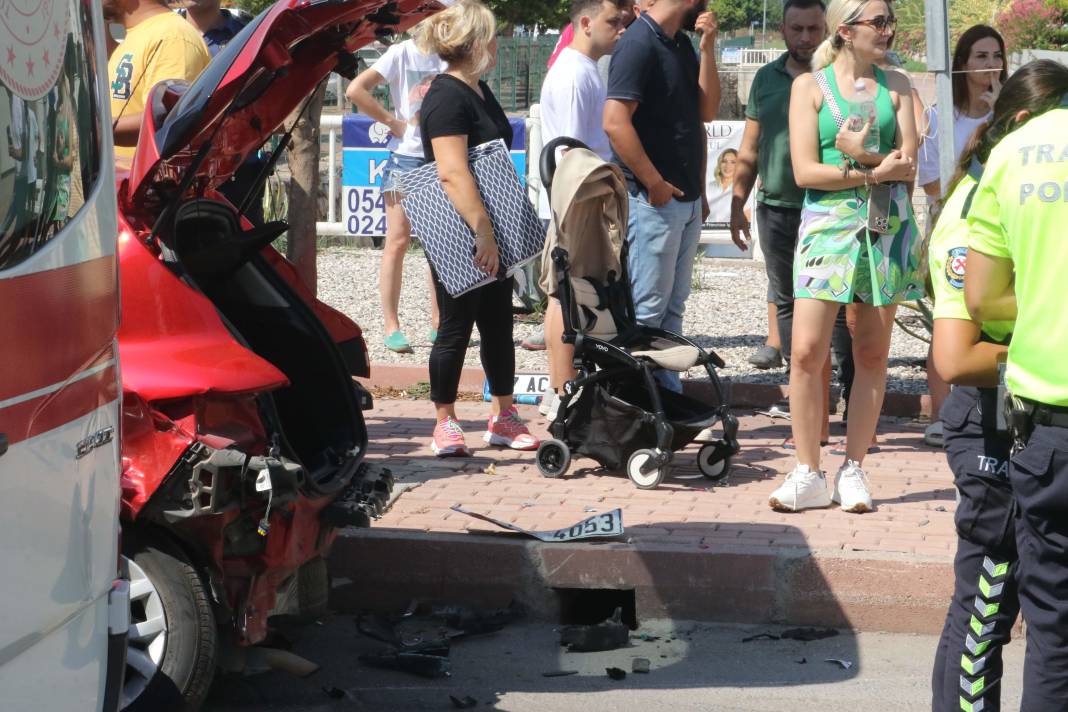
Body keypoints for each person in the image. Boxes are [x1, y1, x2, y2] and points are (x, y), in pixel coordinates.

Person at [928, 61, 1067, 712]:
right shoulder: (969, 211)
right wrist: (1040, 324)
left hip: (1030, 415)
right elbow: (955, 357)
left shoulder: (1007, 181)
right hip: (991, 421)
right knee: (987, 603)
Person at [769, 0, 921, 514]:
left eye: (889, 21)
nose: (888, 30)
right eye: (878, 22)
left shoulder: (898, 85)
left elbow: (909, 165)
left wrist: (865, 159)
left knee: (873, 352)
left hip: (886, 226)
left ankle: (854, 466)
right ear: (846, 28)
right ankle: (807, 470)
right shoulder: (807, 88)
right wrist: (872, 171)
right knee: (808, 350)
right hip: (827, 227)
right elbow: (806, 172)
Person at [416, 0, 539, 456]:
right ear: (474, 43)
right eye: (489, 35)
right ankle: (444, 420)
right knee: (456, 325)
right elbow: (451, 171)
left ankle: (503, 414)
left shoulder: (476, 89)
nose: (495, 43)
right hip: (461, 225)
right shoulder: (447, 96)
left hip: (491, 222)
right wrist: (482, 231)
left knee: (496, 322)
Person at [730, 0, 855, 444]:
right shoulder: (766, 79)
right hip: (778, 208)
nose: (805, 38)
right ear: (782, 30)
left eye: (814, 29)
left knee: (841, 312)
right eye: (797, 29)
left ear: (829, 30)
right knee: (787, 302)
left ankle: (852, 404)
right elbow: (749, 147)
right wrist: (737, 200)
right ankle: (805, 402)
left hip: (832, 208)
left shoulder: (842, 79)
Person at [603, 0, 720, 392]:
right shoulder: (638, 44)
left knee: (672, 308)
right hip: (653, 200)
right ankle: (640, 403)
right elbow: (614, 122)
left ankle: (666, 398)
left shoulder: (679, 44)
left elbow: (704, 113)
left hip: (681, 199)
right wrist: (653, 181)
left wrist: (707, 48)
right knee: (649, 310)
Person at [917, 25, 1008, 448]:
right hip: (952, 228)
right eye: (981, 56)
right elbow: (931, 182)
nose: (990, 64)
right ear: (962, 64)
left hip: (1000, 231)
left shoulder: (1013, 114)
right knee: (948, 318)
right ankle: (939, 414)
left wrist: (1000, 115)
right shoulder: (941, 116)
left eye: (995, 55)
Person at [536, 0, 626, 419]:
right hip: (575, 195)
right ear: (586, 23)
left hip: (585, 192)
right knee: (563, 293)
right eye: (612, 21)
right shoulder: (574, 73)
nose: (620, 28)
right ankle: (560, 390)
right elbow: (570, 151)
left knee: (575, 292)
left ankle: (568, 387)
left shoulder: (586, 69)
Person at [347, 22, 446, 354]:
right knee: (398, 241)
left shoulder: (451, 53)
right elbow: (355, 89)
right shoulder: (401, 52)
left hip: (442, 156)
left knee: (440, 244)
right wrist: (391, 121)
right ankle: (392, 324)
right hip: (407, 158)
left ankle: (439, 322)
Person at [180, 0, 269, 225]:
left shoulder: (250, 35)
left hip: (237, 168)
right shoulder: (162, 32)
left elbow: (267, 96)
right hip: (173, 173)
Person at [103, 0, 211, 160]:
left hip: (147, 183)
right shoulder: (132, 35)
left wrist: (95, 132)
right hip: (119, 180)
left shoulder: (173, 37)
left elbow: (166, 122)